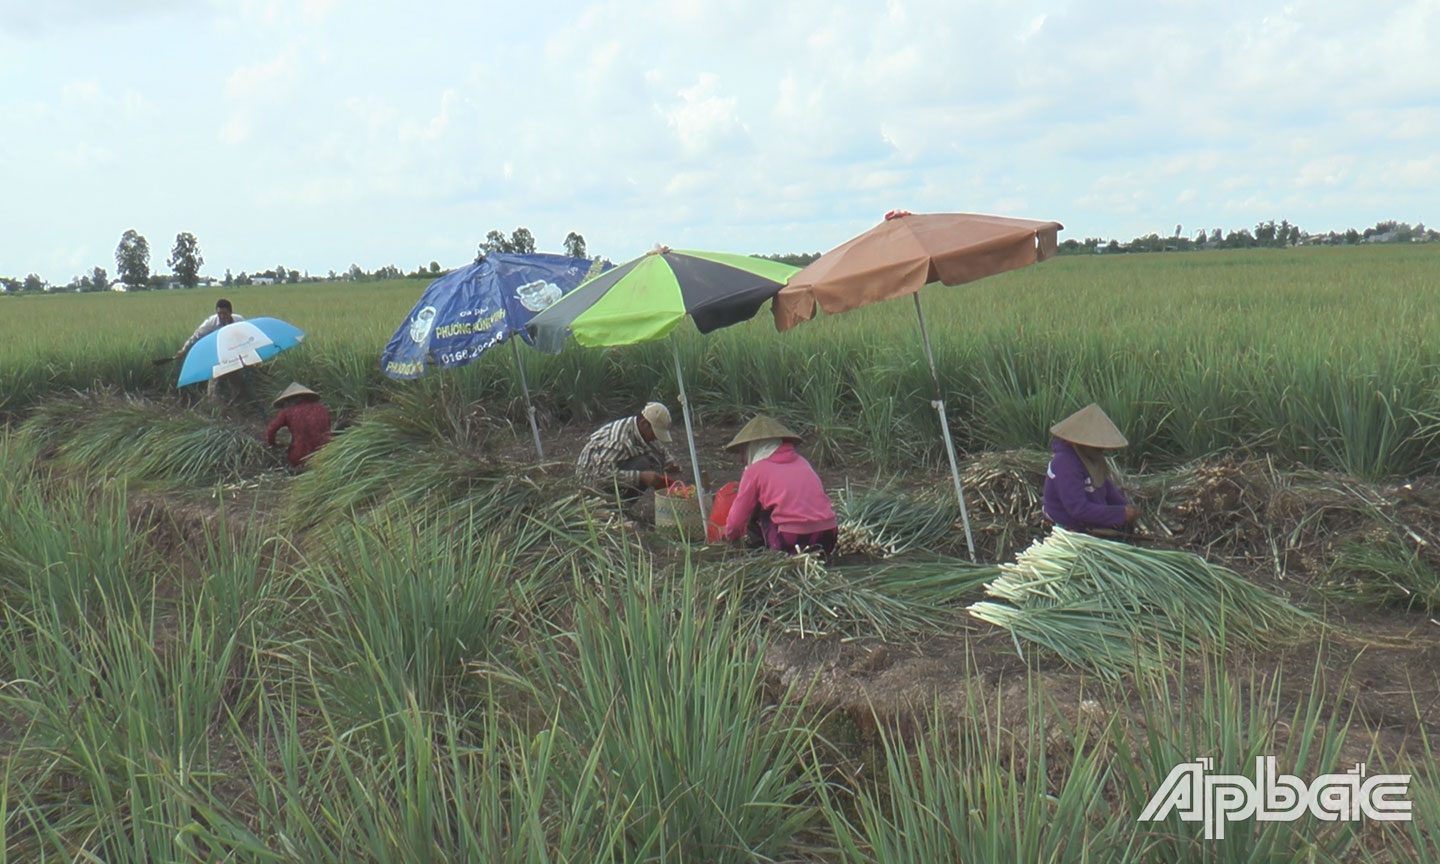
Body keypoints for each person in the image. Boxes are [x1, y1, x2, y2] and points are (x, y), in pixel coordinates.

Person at [722, 415, 838, 559]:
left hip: (792, 540)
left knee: (758, 509)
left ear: (753, 447)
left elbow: (737, 520)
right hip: (828, 537)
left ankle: (765, 553)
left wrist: (729, 537)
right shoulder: (803, 462)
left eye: (743, 451)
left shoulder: (755, 471)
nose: (742, 457)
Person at [1042, 403, 1141, 534]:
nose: (1101, 450)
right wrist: (1120, 514)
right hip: (1066, 528)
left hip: (1088, 521)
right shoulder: (1064, 464)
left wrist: (1125, 508)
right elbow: (1078, 509)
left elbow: (1105, 488)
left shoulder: (1090, 458)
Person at [575, 402, 681, 512]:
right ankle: (611, 509)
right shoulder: (618, 441)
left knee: (652, 461)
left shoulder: (638, 429)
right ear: (644, 424)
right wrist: (640, 476)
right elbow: (601, 475)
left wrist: (669, 461)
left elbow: (657, 446)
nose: (655, 438)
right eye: (655, 434)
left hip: (608, 472)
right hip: (592, 487)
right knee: (644, 464)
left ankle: (620, 508)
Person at [175, 298, 246, 400]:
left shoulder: (239, 320)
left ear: (230, 312)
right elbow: (196, 336)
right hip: (216, 352)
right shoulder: (211, 323)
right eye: (219, 314)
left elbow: (246, 337)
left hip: (233, 351)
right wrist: (184, 350)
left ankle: (238, 401)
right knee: (215, 379)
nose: (222, 316)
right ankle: (213, 404)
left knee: (237, 378)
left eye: (224, 313)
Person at [265, 382, 333, 470]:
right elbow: (328, 428)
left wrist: (272, 444)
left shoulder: (287, 412)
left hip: (300, 457)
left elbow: (271, 430)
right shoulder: (321, 408)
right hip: (326, 452)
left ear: (289, 400)